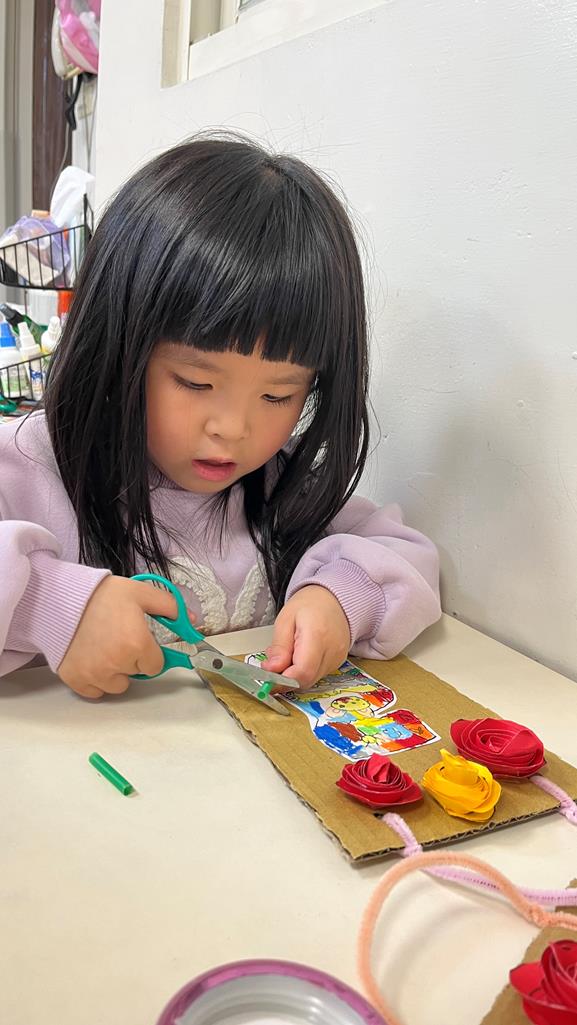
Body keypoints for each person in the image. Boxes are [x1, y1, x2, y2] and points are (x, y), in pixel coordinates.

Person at [0, 136, 441, 700]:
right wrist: (44, 601)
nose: (233, 429)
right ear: (113, 346)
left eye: (278, 395)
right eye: (195, 382)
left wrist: (339, 598)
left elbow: (404, 552)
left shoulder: (283, 486)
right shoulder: (29, 469)